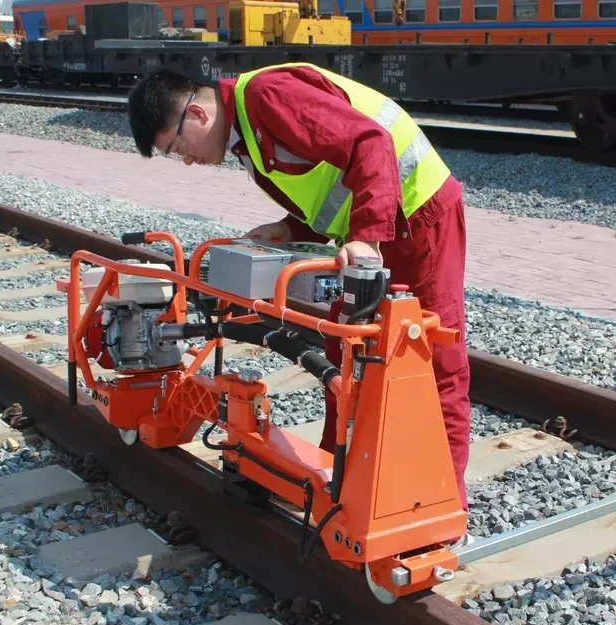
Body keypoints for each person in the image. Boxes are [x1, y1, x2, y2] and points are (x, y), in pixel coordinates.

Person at [125, 64, 473, 525]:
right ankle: (340, 479)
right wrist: (290, 229)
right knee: (345, 350)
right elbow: (334, 184)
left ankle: (444, 510)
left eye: (176, 147)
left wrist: (366, 237)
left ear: (197, 115)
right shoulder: (247, 137)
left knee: (430, 358)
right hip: (378, 227)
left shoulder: (267, 96)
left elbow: (370, 143)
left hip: (418, 216)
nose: (186, 160)